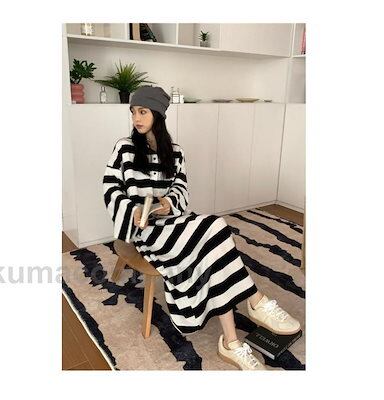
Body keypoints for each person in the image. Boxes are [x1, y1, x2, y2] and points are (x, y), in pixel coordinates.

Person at [103, 85, 300, 370]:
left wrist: (169, 203)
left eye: (143, 111)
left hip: (173, 223)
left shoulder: (176, 153)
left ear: (158, 114)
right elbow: (110, 187)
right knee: (215, 233)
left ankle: (232, 342)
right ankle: (254, 303)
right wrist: (132, 210)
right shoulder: (124, 148)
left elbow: (181, 188)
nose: (136, 118)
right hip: (145, 231)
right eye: (133, 112)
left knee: (215, 239)